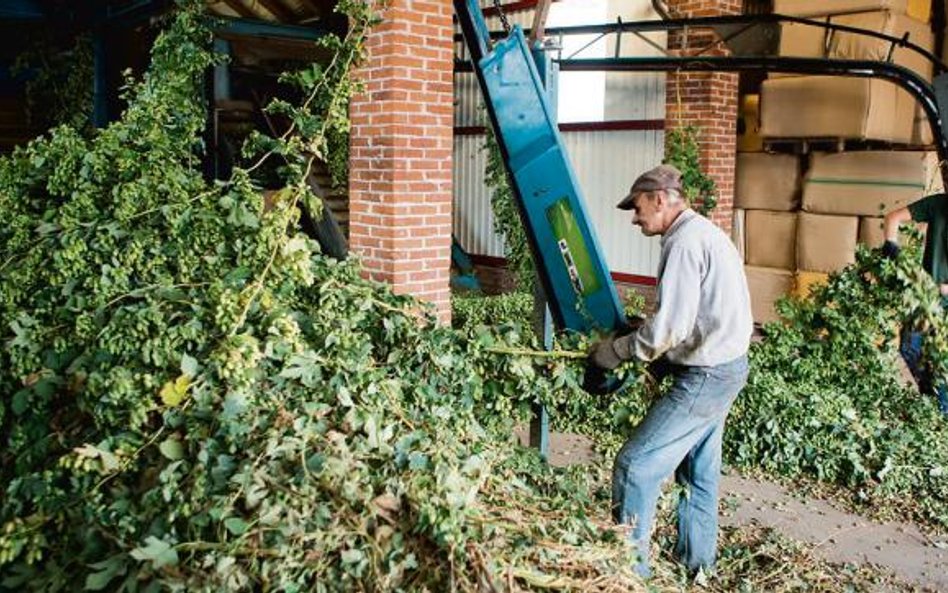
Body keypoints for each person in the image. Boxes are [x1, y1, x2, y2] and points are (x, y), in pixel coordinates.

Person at [587, 164, 753, 578]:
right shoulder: (703, 233)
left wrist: (619, 351)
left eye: (638, 206)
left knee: (634, 465)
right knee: (698, 472)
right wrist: (646, 332)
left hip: (706, 376)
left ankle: (629, 575)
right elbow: (691, 315)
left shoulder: (683, 243)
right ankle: (697, 566)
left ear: (659, 199)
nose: (635, 216)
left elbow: (672, 328)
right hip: (730, 366)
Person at [883, 198, 948, 416]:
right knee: (910, 349)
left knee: (942, 366)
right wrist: (891, 244)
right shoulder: (938, 204)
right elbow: (893, 217)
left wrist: (941, 288)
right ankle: (929, 400)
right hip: (924, 299)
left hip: (939, 298)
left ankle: (941, 417)